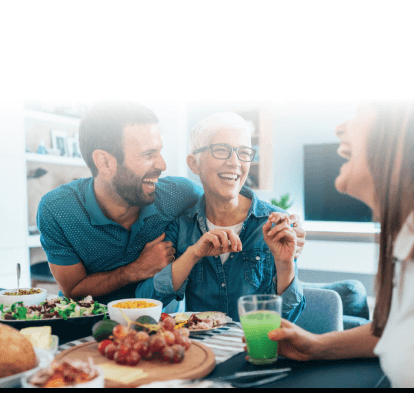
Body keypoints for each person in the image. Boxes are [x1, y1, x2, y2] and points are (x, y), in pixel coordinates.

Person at [37, 101, 307, 305]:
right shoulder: (58, 210)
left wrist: (285, 224)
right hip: (88, 320)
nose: (163, 165)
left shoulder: (179, 194)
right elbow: (73, 292)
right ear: (105, 161)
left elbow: (226, 191)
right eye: (148, 154)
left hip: (161, 323)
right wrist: (136, 270)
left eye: (160, 151)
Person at [256, 103, 414, 389]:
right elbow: (392, 331)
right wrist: (315, 345)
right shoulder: (406, 246)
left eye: (358, 112)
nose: (339, 128)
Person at [135, 112, 306, 322]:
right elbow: (145, 301)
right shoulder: (181, 225)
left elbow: (288, 318)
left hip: (254, 350)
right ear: (194, 163)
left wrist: (285, 263)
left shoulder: (274, 224)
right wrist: (192, 254)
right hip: (202, 350)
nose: (235, 162)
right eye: (221, 150)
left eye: (243, 152)